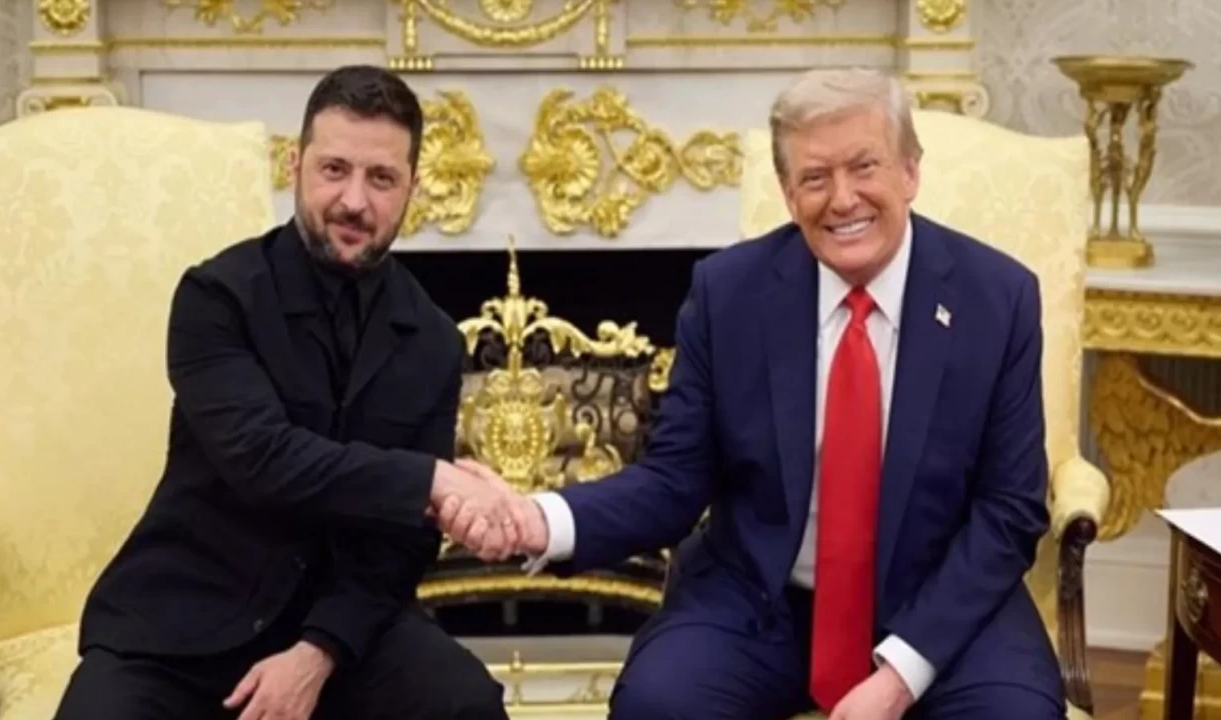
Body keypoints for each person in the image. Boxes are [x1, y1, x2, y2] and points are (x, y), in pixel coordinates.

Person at [442, 68, 1066, 720]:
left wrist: (901, 675)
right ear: (788, 194)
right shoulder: (728, 293)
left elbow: (1009, 510)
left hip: (942, 604)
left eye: (864, 167)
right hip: (762, 598)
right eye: (815, 178)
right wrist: (536, 519)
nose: (842, 199)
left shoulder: (997, 299)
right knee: (658, 706)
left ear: (910, 171)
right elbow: (673, 481)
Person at [54, 65, 520, 720]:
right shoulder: (216, 297)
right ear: (295, 166)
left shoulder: (434, 339)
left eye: (381, 178)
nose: (354, 200)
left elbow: (403, 542)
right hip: (186, 620)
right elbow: (263, 458)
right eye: (334, 169)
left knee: (463, 702)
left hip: (343, 624)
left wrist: (317, 653)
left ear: (412, 188)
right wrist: (432, 481)